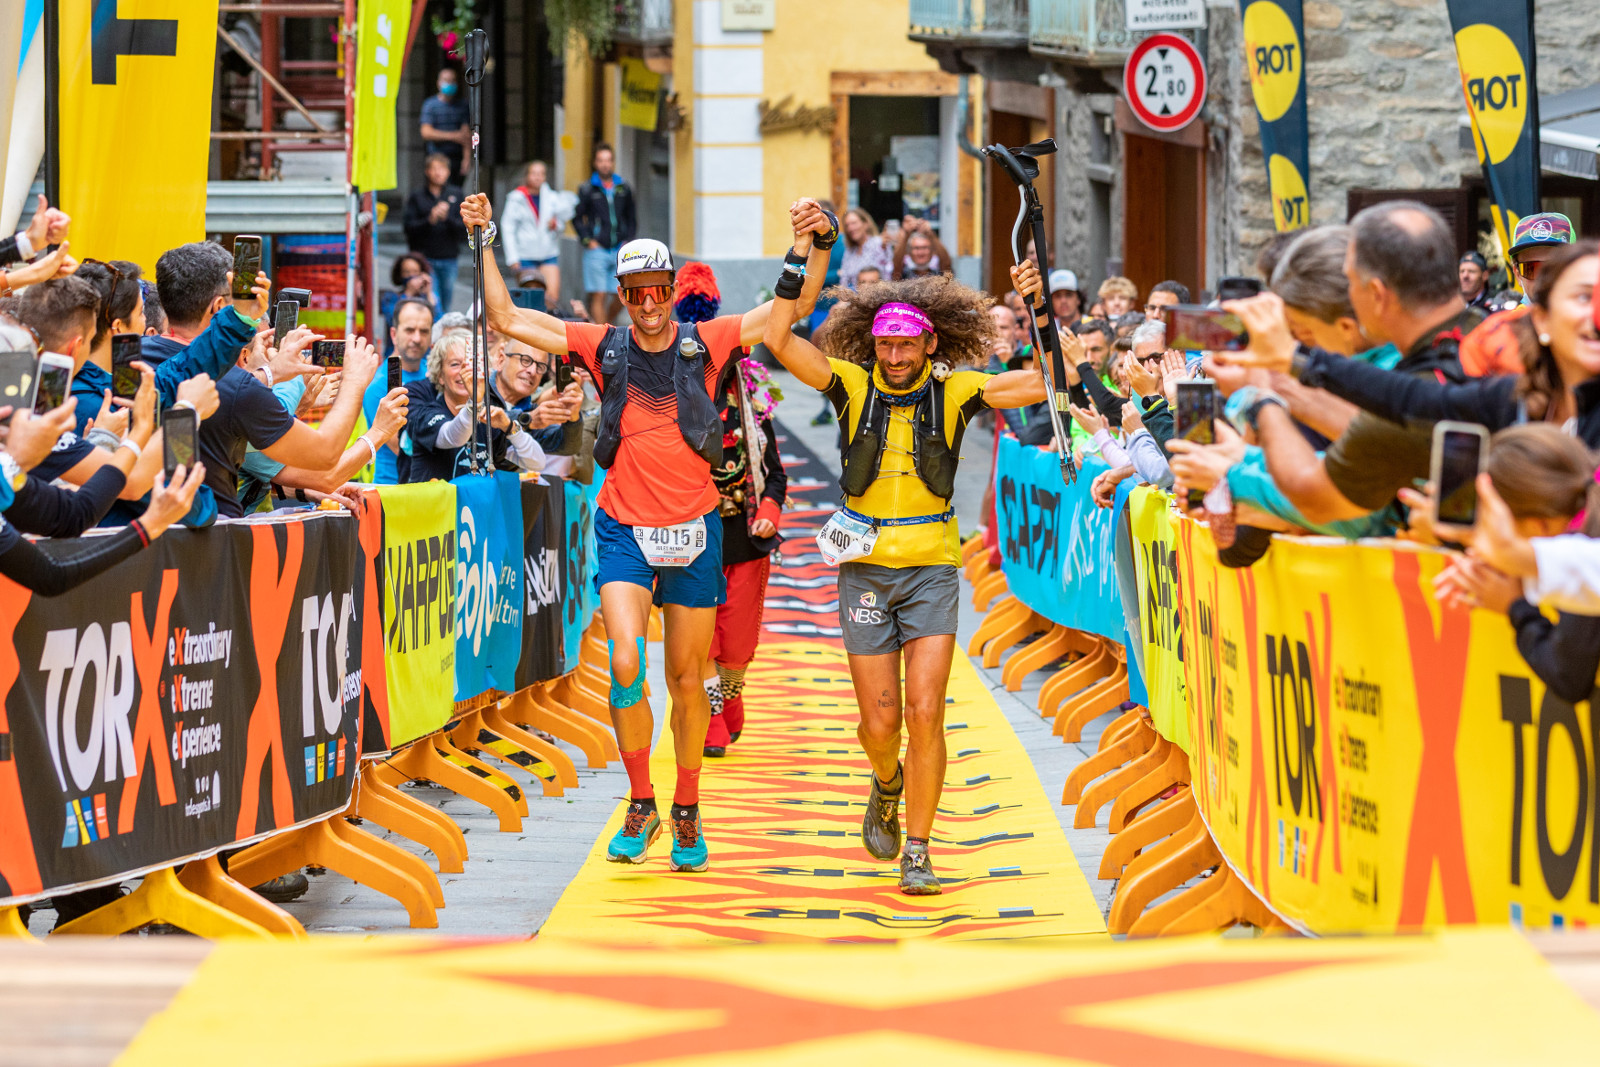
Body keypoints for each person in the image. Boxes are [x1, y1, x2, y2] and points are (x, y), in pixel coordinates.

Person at [462, 189, 831, 873]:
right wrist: (484, 237)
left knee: (689, 682)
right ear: (623, 296)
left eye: (658, 289)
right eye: (635, 292)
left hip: (695, 528)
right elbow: (508, 316)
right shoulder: (603, 344)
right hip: (623, 527)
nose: (650, 302)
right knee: (627, 663)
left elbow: (788, 314)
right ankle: (642, 800)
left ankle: (687, 807)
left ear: (670, 287)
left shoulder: (711, 341)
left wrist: (811, 243)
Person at [763, 199, 1049, 895]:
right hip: (863, 573)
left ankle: (918, 847)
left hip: (931, 572)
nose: (893, 356)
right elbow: (778, 341)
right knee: (878, 723)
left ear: (929, 345)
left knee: (926, 712)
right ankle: (885, 783)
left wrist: (1039, 313)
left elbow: (1044, 382)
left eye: (906, 345)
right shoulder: (851, 382)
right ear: (873, 345)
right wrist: (798, 253)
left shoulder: (956, 390)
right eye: (884, 345)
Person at [1214, 200, 1473, 526]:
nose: (1348, 296)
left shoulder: (1416, 390)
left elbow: (1318, 495)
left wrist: (1262, 398)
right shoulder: (1491, 339)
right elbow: (1356, 419)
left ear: (1376, 294)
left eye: (1350, 281)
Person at [398, 330, 545, 482]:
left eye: (473, 364)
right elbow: (452, 436)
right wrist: (474, 404)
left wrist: (509, 427)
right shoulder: (426, 412)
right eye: (455, 364)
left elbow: (537, 462)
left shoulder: (489, 417)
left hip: (475, 505)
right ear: (440, 376)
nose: (465, 371)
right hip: (438, 505)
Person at [365, 296, 434, 484]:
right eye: (410, 330)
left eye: (424, 331)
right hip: (394, 489)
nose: (417, 338)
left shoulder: (433, 372)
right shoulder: (380, 385)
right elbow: (404, 448)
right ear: (394, 334)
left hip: (429, 486)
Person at [573, 144, 637, 326]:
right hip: (597, 249)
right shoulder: (587, 189)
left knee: (623, 293)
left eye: (608, 160)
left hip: (620, 248)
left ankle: (608, 326)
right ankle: (603, 335)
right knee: (599, 293)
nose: (605, 164)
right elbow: (577, 218)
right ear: (595, 163)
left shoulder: (623, 188)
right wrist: (588, 240)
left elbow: (631, 217)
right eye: (601, 160)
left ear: (613, 162)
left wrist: (629, 241)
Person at [403, 154, 468, 311]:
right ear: (427, 171)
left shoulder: (456, 194)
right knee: (430, 302)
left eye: (442, 169)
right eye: (434, 169)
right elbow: (408, 228)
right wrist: (429, 220)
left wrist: (447, 218)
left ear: (448, 172)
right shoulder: (417, 196)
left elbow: (464, 229)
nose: (438, 173)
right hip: (425, 258)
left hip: (449, 257)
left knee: (446, 302)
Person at [502, 160, 576, 298]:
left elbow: (561, 223)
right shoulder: (516, 198)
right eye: (534, 173)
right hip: (525, 255)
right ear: (527, 176)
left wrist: (556, 225)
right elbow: (508, 228)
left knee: (552, 296)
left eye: (541, 174)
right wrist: (512, 258)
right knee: (530, 297)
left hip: (548, 253)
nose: (537, 177)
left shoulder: (552, 197)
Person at [418, 67, 470, 178]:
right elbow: (426, 132)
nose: (450, 84)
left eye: (452, 80)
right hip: (436, 157)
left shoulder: (463, 105)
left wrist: (466, 159)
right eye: (446, 80)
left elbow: (466, 135)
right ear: (438, 83)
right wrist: (454, 136)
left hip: (456, 159)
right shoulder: (430, 105)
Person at [840, 208, 893, 290]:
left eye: (854, 223)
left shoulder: (879, 243)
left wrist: (883, 248)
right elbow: (844, 280)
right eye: (847, 225)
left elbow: (887, 271)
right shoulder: (850, 251)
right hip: (854, 298)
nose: (850, 228)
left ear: (866, 224)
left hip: (878, 296)